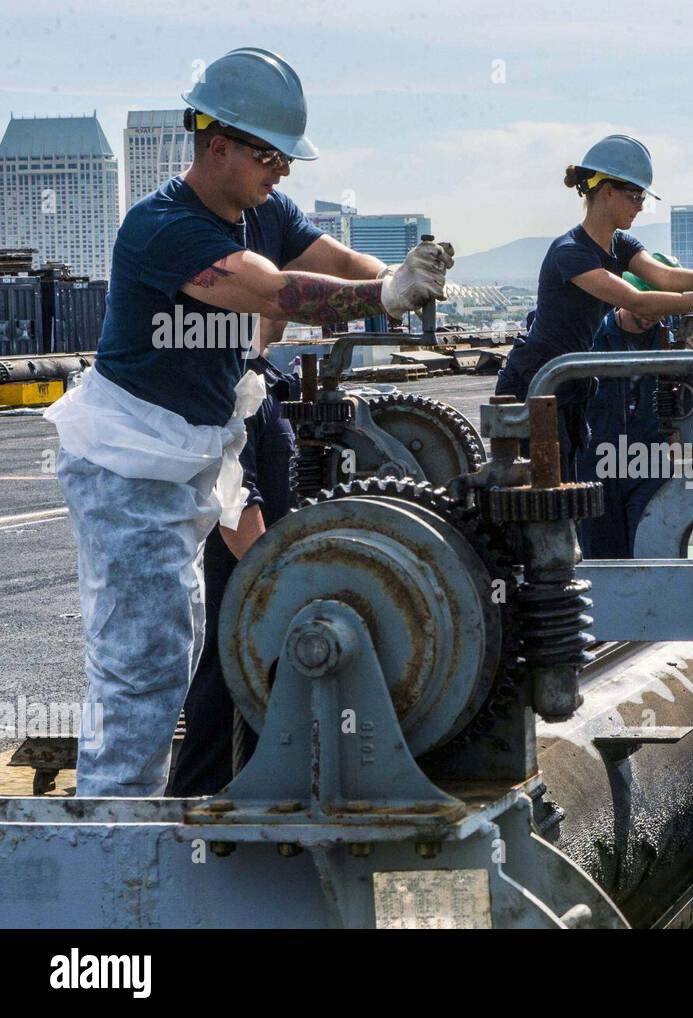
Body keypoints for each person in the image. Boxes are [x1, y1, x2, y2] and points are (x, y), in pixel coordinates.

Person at [45, 47, 451, 796]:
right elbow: (277, 294)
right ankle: (112, 848)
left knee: (188, 643)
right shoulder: (163, 228)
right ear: (216, 144)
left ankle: (139, 831)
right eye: (270, 154)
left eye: (288, 157)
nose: (283, 171)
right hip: (128, 468)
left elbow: (339, 262)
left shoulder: (263, 211)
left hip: (197, 455)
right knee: (141, 671)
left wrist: (403, 276)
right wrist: (384, 296)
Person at [496, 134, 693, 479]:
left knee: (565, 480)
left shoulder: (620, 243)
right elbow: (635, 299)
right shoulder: (571, 251)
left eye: (641, 196)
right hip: (534, 382)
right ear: (606, 192)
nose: (640, 205)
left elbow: (663, 276)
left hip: (567, 379)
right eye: (634, 195)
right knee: (540, 489)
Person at [169, 355, 297, 795]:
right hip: (246, 602)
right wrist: (286, 593)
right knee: (220, 716)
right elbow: (236, 505)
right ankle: (182, 840)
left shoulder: (270, 383)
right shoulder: (235, 386)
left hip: (265, 597)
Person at [574, 258, 677, 559]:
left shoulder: (672, 341)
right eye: (648, 306)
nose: (654, 316)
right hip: (598, 461)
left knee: (651, 548)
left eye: (662, 309)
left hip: (651, 460)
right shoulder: (593, 338)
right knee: (602, 558)